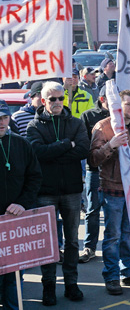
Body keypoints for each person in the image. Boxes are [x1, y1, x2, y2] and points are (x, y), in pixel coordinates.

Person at [27, 81, 90, 305]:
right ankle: (49, 286)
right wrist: (66, 144)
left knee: (72, 241)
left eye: (60, 98)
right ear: (43, 100)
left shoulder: (75, 123)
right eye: (52, 99)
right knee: (48, 242)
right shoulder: (34, 126)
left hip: (72, 191)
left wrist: (56, 150)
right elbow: (37, 152)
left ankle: (72, 284)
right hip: (46, 192)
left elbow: (83, 149)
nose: (56, 103)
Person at [89, 90, 130, 295]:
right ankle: (112, 276)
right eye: (128, 104)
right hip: (113, 188)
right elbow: (93, 159)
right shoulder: (103, 126)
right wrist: (111, 144)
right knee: (113, 235)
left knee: (129, 233)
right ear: (118, 105)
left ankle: (129, 272)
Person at [0, 100, 42, 310]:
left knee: (14, 273)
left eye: (4, 117)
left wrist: (22, 203)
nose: (1, 122)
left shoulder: (21, 143)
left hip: (16, 219)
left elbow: (34, 177)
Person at [79, 84, 111, 264]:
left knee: (115, 209)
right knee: (93, 209)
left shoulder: (120, 114)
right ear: (102, 99)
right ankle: (89, 246)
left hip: (116, 170)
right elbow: (83, 143)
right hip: (95, 169)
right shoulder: (88, 115)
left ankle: (117, 246)